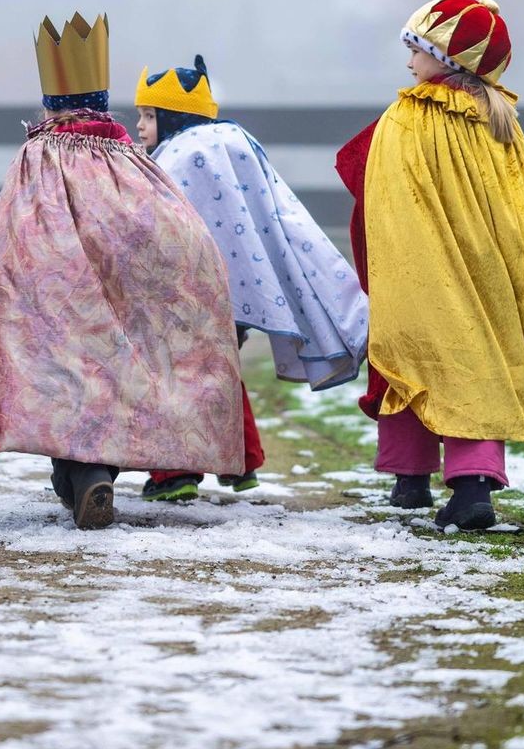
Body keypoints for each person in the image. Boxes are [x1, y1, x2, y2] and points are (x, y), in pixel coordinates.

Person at [0, 13, 244, 529]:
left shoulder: (36, 155)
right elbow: (169, 222)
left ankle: (81, 480)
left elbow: (8, 227)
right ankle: (95, 476)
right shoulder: (129, 157)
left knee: (67, 382)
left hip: (54, 293)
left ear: (50, 103)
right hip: (120, 288)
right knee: (108, 380)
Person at [335, 0, 524, 531]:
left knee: (411, 357)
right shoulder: (502, 122)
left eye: (416, 50)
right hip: (491, 266)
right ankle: (474, 487)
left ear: (446, 59)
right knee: (477, 360)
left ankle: (410, 479)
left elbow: (369, 177)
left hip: (421, 265)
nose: (409, 64)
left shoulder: (410, 115)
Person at [134, 55, 369, 501]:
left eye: (150, 115)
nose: (142, 126)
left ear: (173, 116)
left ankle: (175, 474)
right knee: (220, 372)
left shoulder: (181, 155)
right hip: (235, 292)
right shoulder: (230, 143)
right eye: (141, 115)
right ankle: (241, 463)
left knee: (173, 379)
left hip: (183, 296)